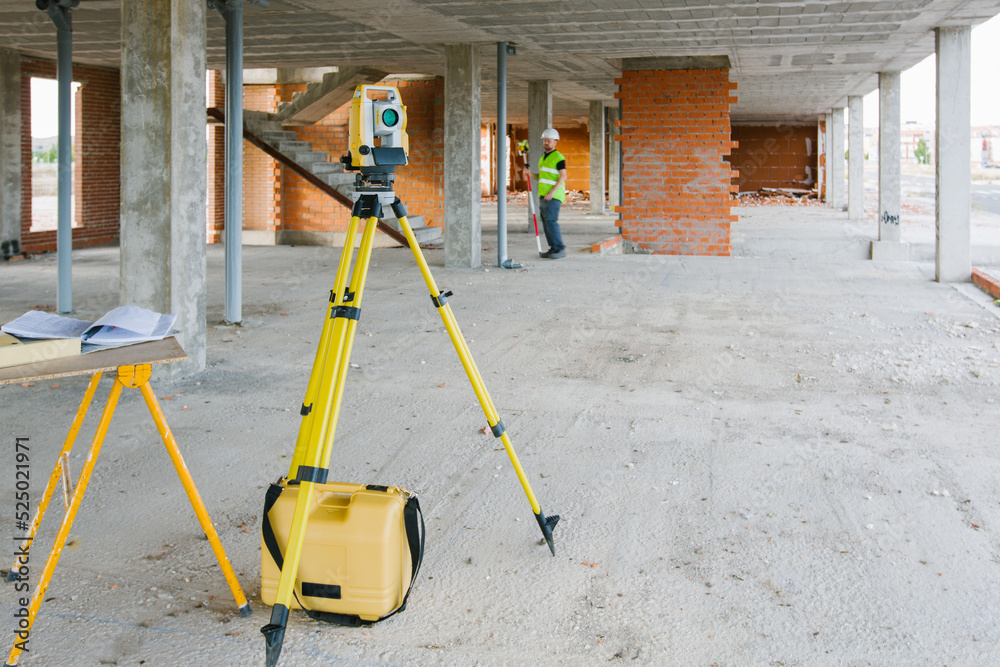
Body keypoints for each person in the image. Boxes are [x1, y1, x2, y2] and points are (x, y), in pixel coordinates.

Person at [537, 128, 567, 259]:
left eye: (549, 140)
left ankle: (559, 248)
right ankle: (553, 248)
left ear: (555, 142)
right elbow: (541, 177)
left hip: (553, 195)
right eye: (545, 140)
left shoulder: (558, 157)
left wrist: (551, 192)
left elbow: (563, 176)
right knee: (546, 223)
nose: (546, 142)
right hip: (543, 195)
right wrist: (529, 173)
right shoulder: (542, 158)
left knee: (551, 221)